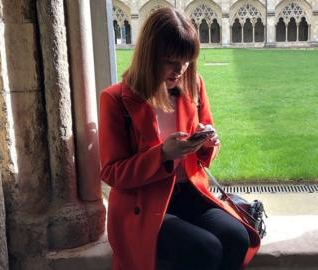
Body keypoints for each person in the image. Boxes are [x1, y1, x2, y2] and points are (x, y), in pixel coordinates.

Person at [98, 7, 260, 270]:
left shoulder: (193, 85)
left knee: (237, 238)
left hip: (190, 193)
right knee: (204, 248)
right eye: (170, 60)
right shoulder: (115, 99)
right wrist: (162, 154)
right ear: (150, 56)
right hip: (144, 203)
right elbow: (111, 172)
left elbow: (205, 156)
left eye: (186, 60)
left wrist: (207, 144)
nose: (180, 70)